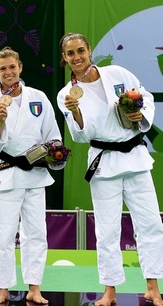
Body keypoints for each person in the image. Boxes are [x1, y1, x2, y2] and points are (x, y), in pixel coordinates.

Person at [57, 33, 163, 306]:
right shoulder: (66, 95)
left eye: (81, 50)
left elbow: (145, 97)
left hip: (136, 159)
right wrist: (76, 113)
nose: (77, 57)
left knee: (151, 224)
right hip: (104, 162)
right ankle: (110, 291)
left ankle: (152, 286)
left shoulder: (117, 73)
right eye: (70, 53)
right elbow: (81, 136)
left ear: (89, 50)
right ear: (64, 58)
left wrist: (141, 116)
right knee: (107, 230)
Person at [0, 46, 62, 304]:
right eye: (3, 68)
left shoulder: (39, 97)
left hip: (35, 175)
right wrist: (0, 123)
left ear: (20, 67)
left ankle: (34, 287)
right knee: (4, 234)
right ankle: (3, 287)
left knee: (36, 233)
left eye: (12, 67)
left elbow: (53, 135)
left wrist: (55, 153)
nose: (8, 72)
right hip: (7, 174)